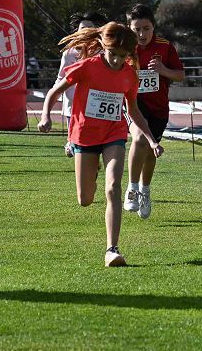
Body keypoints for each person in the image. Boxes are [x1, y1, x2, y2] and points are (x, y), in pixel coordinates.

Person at [37, 22, 164, 267]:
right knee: (85, 199)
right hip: (84, 136)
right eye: (113, 55)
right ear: (104, 47)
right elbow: (55, 92)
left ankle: (112, 250)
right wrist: (45, 116)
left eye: (122, 56)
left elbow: (134, 111)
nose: (117, 61)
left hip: (113, 135)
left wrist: (151, 139)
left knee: (113, 187)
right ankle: (90, 170)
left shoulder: (129, 74)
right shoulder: (87, 67)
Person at [123, 4, 185, 219]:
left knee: (150, 152)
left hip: (159, 108)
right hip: (134, 104)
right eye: (136, 29)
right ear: (129, 28)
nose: (141, 34)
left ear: (153, 26)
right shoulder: (124, 48)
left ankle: (145, 191)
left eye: (146, 28)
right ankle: (131, 189)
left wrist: (163, 70)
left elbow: (180, 75)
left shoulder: (165, 47)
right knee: (139, 138)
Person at [56, 12, 107, 157]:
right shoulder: (69, 53)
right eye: (82, 28)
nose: (85, 32)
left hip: (94, 102)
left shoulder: (104, 52)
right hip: (72, 103)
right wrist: (54, 96)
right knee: (77, 144)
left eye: (89, 28)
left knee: (92, 144)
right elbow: (60, 78)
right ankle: (71, 143)